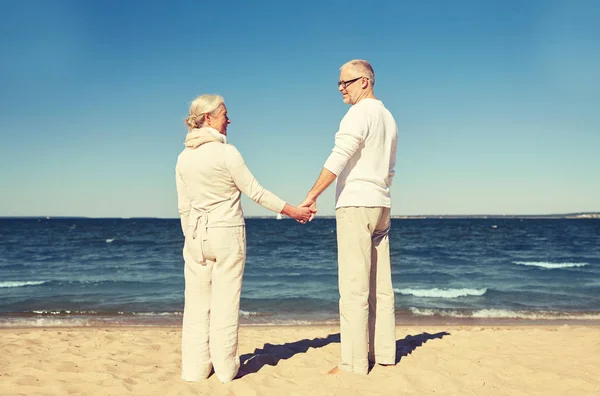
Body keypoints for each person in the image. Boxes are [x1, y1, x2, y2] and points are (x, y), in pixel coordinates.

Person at [175, 94, 314, 383]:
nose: (229, 119)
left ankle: (195, 370)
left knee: (197, 305)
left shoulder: (183, 157)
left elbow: (184, 207)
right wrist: (295, 212)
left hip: (196, 236)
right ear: (209, 118)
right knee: (225, 303)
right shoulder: (228, 153)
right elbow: (256, 192)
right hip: (226, 233)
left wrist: (190, 236)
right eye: (224, 114)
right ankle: (226, 370)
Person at [300, 60, 398, 375]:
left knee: (354, 286)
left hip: (357, 204)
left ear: (365, 82)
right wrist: (380, 189)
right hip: (381, 204)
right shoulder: (388, 117)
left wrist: (312, 195)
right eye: (339, 83)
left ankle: (354, 363)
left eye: (346, 82)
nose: (341, 88)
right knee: (380, 286)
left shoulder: (358, 114)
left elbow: (338, 157)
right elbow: (391, 169)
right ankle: (384, 354)